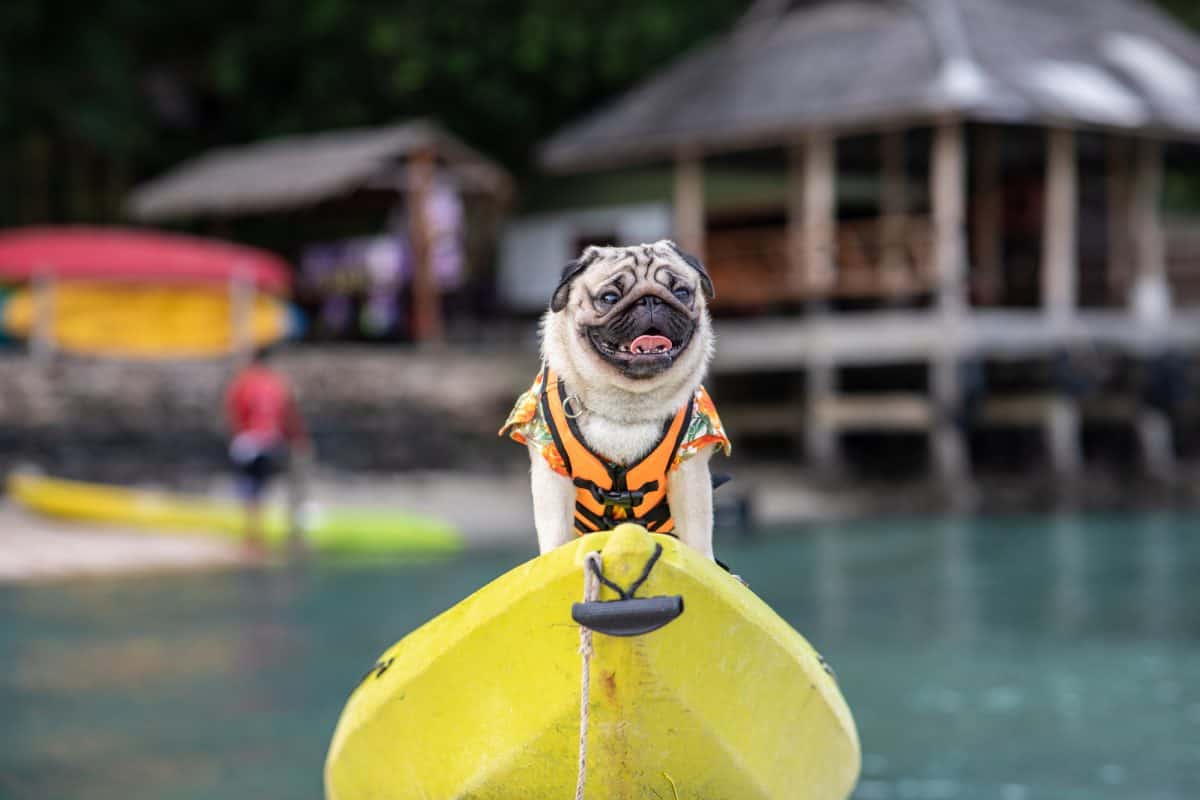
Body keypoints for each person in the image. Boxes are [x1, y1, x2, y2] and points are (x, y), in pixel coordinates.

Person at [224, 346, 308, 551]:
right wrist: (298, 439)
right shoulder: (278, 384)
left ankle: (253, 538)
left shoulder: (242, 383)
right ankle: (292, 531)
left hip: (248, 443)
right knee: (267, 487)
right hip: (271, 441)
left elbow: (234, 414)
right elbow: (288, 416)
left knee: (250, 489)